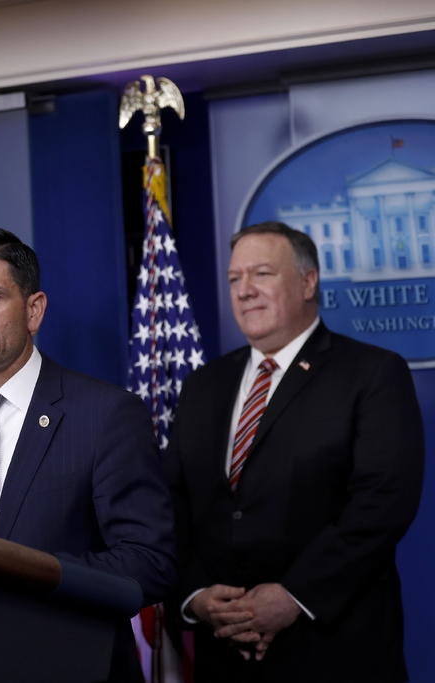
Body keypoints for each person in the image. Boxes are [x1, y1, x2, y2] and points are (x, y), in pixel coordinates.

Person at [0, 225, 175, 681]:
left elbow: (149, 562)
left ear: (34, 310)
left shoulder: (106, 414)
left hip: (73, 665)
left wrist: (23, 575)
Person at [167, 222, 424, 683]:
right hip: (222, 653)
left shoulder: (373, 373)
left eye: (261, 274)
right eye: (234, 279)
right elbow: (175, 505)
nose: (244, 291)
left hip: (333, 649)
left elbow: (382, 504)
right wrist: (197, 596)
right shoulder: (202, 386)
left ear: (308, 282)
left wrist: (292, 596)